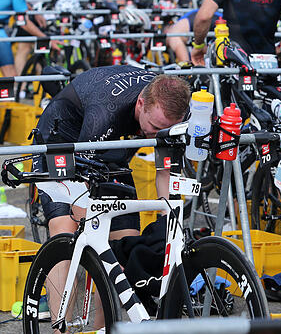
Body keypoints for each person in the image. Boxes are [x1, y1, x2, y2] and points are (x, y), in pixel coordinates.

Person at [32, 66, 191, 327]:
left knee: (124, 244)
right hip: (64, 141)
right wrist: (89, 223)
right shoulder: (106, 111)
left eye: (164, 131)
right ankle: (61, 330)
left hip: (110, 148)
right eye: (153, 127)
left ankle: (103, 329)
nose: (155, 136)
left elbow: (165, 173)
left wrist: (169, 221)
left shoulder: (171, 115)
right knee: (67, 230)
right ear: (141, 103)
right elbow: (82, 185)